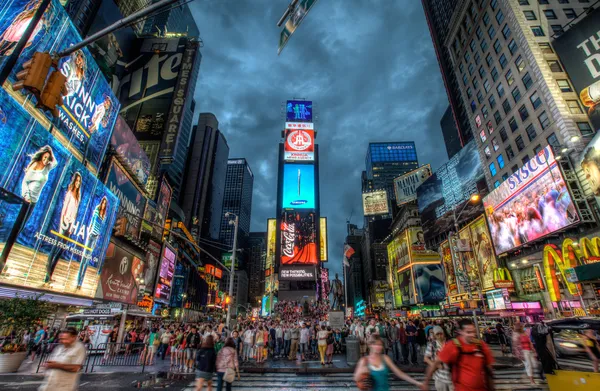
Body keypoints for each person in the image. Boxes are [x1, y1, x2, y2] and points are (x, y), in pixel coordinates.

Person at [421, 319, 494, 391]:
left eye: (473, 332)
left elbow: (489, 370)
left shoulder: (481, 345)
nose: (472, 335)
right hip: (453, 384)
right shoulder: (452, 345)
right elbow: (433, 364)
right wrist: (426, 382)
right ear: (461, 332)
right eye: (468, 332)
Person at [45, 172, 82, 283]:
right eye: (77, 180)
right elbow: (64, 209)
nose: (78, 183)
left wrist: (72, 227)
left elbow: (75, 213)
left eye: (79, 181)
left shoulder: (77, 196)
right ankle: (47, 273)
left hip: (70, 224)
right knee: (56, 246)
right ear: (74, 180)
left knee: (61, 250)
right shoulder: (69, 193)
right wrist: (62, 222)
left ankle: (50, 274)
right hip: (64, 222)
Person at [354, 335, 422, 391]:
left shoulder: (385, 358)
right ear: (370, 345)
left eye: (380, 345)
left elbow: (399, 373)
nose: (379, 347)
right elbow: (357, 379)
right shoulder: (364, 360)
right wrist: (361, 373)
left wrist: (417, 383)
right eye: (376, 345)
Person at [19, 145, 58, 234]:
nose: (46, 160)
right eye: (45, 157)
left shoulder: (47, 167)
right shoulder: (35, 164)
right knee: (19, 221)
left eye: (48, 158)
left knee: (23, 224)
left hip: (34, 200)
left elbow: (55, 163)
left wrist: (51, 151)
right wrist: (26, 196)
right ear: (41, 156)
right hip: (27, 198)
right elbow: (25, 181)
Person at [76, 196, 108, 288]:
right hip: (90, 236)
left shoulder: (104, 216)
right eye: (103, 203)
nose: (103, 205)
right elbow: (92, 223)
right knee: (84, 258)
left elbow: (101, 228)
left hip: (95, 237)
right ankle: (78, 280)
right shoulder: (96, 211)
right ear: (101, 203)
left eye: (105, 204)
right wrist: (90, 231)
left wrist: (98, 235)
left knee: (87, 259)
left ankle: (80, 282)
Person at [424, 326, 452, 391]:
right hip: (439, 378)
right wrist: (435, 365)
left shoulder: (450, 343)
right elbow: (426, 358)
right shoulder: (432, 345)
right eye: (437, 334)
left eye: (441, 333)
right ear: (434, 335)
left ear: (443, 333)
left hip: (451, 378)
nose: (439, 336)